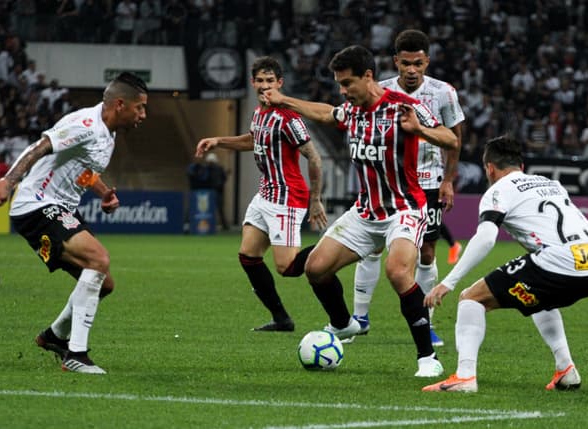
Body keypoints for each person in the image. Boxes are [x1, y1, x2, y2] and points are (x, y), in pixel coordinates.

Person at [264, 45, 458, 376]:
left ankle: (428, 358)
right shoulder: (352, 111)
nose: (343, 91)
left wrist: (421, 131)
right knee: (315, 268)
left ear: (368, 77)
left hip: (404, 208)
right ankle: (343, 325)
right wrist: (286, 100)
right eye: (339, 84)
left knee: (397, 272)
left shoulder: (403, 108)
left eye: (347, 83)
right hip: (366, 211)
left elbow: (450, 139)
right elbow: (327, 113)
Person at [0, 72, 148, 374]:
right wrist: (9, 182)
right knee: (98, 259)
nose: (144, 115)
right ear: (120, 104)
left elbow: (82, 169)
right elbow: (39, 147)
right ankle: (77, 354)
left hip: (59, 207)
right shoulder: (85, 125)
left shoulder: (108, 132)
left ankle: (54, 337)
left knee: (104, 284)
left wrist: (103, 193)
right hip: (36, 205)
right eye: (139, 108)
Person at [422, 136, 588, 392]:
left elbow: (486, 238)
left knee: (471, 298)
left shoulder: (497, 190)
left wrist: (448, 282)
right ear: (521, 165)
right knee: (539, 299)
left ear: (490, 168)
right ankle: (566, 369)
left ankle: (465, 377)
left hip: (560, 260)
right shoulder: (551, 183)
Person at [348, 29, 465, 347]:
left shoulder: (444, 92)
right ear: (395, 62)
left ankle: (425, 323)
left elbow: (455, 139)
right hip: (387, 183)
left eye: (418, 63)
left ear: (427, 61)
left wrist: (448, 180)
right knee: (371, 247)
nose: (412, 70)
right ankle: (360, 318)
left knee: (426, 253)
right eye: (405, 64)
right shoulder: (379, 89)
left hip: (427, 183)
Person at [195, 56, 328, 332]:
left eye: (271, 81)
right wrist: (219, 141)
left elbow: (314, 158)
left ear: (280, 83)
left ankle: (343, 244)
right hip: (265, 194)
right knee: (248, 256)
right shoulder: (259, 114)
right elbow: (254, 139)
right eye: (260, 81)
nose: (265, 86)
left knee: (287, 268)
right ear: (252, 82)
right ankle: (282, 318)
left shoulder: (289, 118)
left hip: (287, 197)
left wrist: (315, 200)